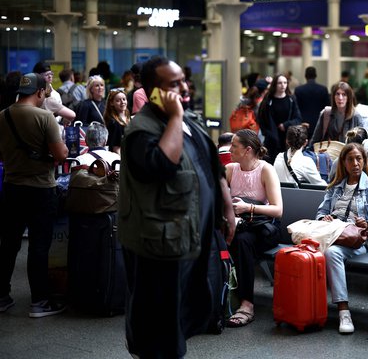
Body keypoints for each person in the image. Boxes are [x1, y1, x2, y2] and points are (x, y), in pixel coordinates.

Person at [118, 55, 235, 359]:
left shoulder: (189, 120)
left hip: (192, 237)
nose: (184, 87)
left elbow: (211, 164)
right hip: (159, 246)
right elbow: (161, 166)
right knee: (158, 323)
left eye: (183, 79)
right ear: (153, 90)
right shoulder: (140, 131)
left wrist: (227, 207)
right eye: (174, 83)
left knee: (187, 310)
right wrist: (174, 117)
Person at [0, 73, 69, 318]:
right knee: (39, 246)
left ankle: (2, 296)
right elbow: (61, 155)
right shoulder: (45, 117)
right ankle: (40, 301)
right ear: (40, 93)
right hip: (41, 189)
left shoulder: (3, 115)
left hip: (11, 187)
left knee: (8, 244)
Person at [316, 143, 368, 334]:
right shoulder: (335, 188)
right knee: (306, 251)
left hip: (355, 241)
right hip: (331, 234)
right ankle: (310, 306)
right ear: (343, 162)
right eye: (350, 159)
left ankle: (344, 311)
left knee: (332, 253)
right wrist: (323, 218)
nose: (355, 163)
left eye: (359, 158)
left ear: (364, 161)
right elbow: (321, 212)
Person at [225, 129, 283, 328]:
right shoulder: (231, 169)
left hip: (263, 227)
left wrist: (247, 207)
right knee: (221, 237)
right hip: (239, 225)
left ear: (247, 150)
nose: (230, 149)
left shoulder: (265, 169)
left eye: (234, 146)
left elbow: (277, 210)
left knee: (242, 242)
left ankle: (246, 304)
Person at [256, 73, 302, 164]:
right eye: (280, 83)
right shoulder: (268, 100)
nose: (283, 85)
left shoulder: (291, 99)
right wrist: (267, 133)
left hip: (288, 140)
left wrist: (285, 125)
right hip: (271, 141)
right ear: (275, 85)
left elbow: (298, 118)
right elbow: (261, 118)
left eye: (285, 83)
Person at [309, 81, 364, 145]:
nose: (340, 98)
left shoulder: (356, 116)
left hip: (347, 153)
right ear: (333, 96)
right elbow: (315, 139)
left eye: (344, 95)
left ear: (349, 98)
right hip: (329, 152)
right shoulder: (326, 113)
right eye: (337, 94)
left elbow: (361, 143)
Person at [294, 66, 330, 135]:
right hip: (319, 123)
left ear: (305, 76)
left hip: (303, 124)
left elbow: (296, 109)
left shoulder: (298, 90)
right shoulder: (323, 89)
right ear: (316, 76)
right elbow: (327, 108)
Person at [103, 87, 130, 154]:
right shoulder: (114, 123)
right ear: (112, 103)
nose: (122, 102)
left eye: (124, 99)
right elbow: (116, 148)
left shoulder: (130, 118)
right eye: (118, 100)